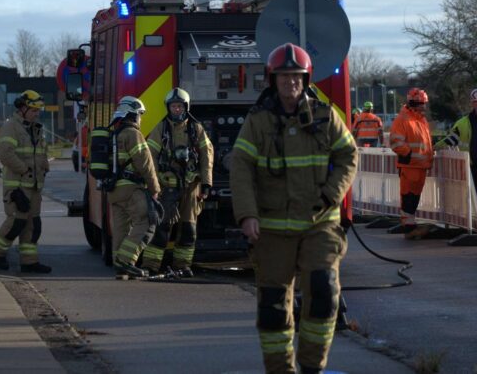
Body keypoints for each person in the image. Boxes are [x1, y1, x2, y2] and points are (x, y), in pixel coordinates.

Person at [230, 43, 357, 374]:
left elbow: (349, 155)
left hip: (320, 223)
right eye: (284, 77)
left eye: (296, 76)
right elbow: (240, 167)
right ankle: (281, 370)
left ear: (306, 78)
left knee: (323, 291)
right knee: (273, 307)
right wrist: (247, 214)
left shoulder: (326, 117)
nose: (291, 83)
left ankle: (312, 367)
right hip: (272, 229)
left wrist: (332, 193)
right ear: (273, 80)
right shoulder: (257, 123)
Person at [142, 88, 214, 277]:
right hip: (168, 188)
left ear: (186, 107)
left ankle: (182, 266)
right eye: (173, 106)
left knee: (189, 229)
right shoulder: (161, 129)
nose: (176, 109)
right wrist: (154, 185)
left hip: (190, 188)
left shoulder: (196, 129)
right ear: (168, 108)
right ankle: (151, 265)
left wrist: (206, 183)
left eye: (179, 106)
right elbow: (151, 157)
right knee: (162, 228)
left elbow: (207, 156)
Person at [0, 90, 52, 273]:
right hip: (17, 186)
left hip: (34, 186)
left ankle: (29, 262)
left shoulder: (35, 128)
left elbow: (40, 152)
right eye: (33, 110)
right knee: (17, 222)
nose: (36, 113)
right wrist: (24, 169)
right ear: (22, 108)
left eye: (38, 110)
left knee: (33, 225)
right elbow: (5, 153)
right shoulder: (11, 127)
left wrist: (45, 166)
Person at [107, 96, 161, 278]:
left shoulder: (114, 134)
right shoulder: (132, 134)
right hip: (131, 188)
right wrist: (154, 188)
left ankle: (119, 267)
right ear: (133, 114)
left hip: (114, 191)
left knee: (121, 229)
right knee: (147, 220)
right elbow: (145, 163)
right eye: (140, 115)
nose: (141, 119)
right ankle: (126, 260)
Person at [389, 87, 434, 240]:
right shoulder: (403, 119)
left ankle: (410, 226)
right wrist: (408, 154)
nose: (425, 107)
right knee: (408, 197)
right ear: (415, 103)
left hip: (419, 165)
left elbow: (425, 142)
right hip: (410, 165)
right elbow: (396, 143)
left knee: (413, 197)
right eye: (423, 104)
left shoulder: (420, 120)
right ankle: (408, 228)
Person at [434, 87, 477, 189]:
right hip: (471, 168)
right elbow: (450, 140)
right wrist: (434, 147)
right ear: (472, 103)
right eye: (475, 102)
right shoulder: (463, 123)